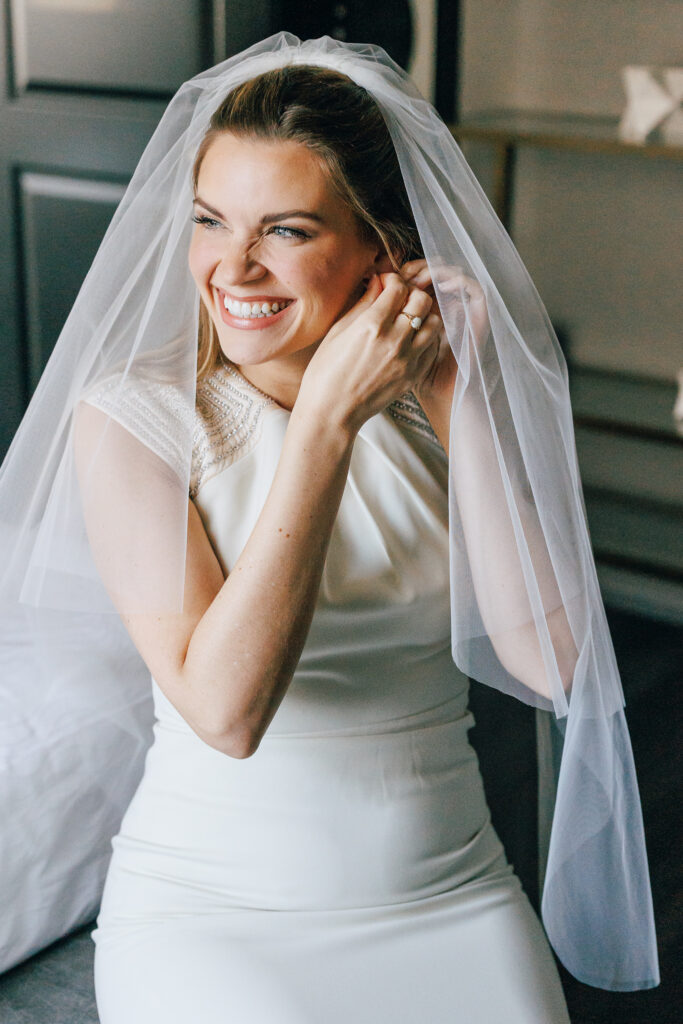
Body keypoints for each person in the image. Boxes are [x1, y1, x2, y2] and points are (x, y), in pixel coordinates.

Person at [0, 32, 658, 1022]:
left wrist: (457, 398)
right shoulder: (134, 419)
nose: (232, 265)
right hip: (216, 913)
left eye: (288, 230)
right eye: (210, 220)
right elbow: (224, 711)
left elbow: (552, 664)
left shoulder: (437, 408)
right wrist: (318, 432)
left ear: (381, 248)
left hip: (451, 894)